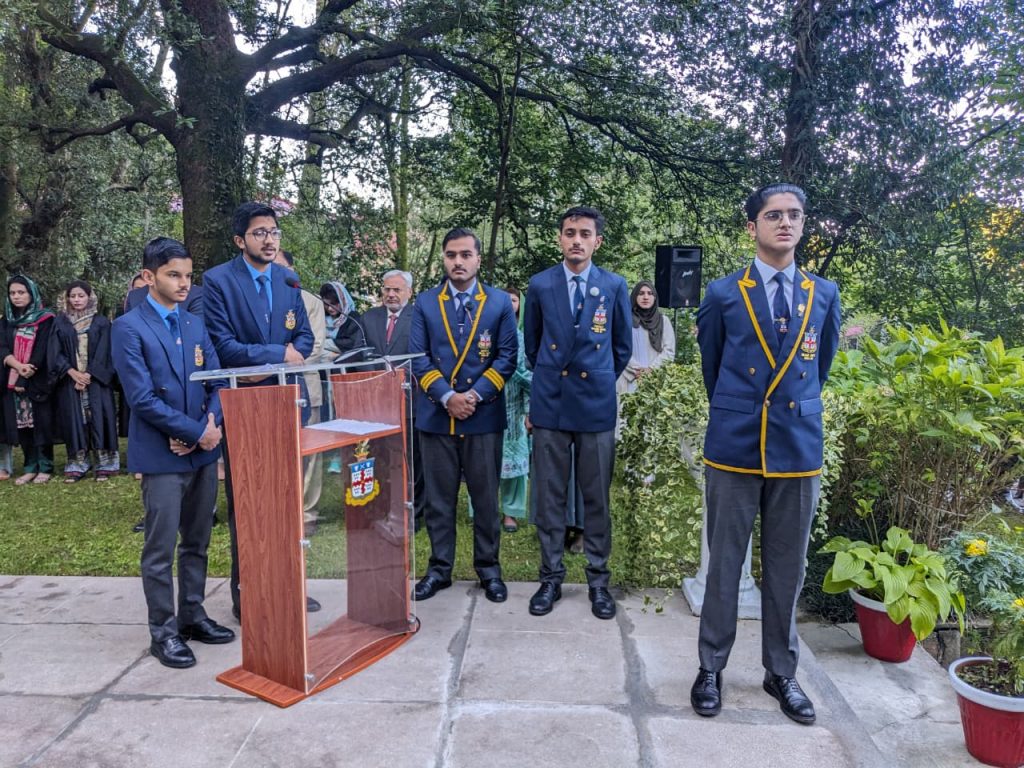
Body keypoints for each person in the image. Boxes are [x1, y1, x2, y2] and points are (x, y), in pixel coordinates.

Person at [690, 183, 841, 726]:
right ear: (753, 226)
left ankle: (781, 671)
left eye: (794, 215)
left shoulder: (824, 293)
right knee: (724, 565)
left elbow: (820, 367)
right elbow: (712, 369)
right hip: (736, 446)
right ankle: (711, 667)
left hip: (796, 448)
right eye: (774, 215)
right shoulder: (723, 293)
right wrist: (743, 410)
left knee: (787, 568)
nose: (785, 223)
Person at [112, 236, 234, 669]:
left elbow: (218, 380)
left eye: (188, 275)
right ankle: (163, 633)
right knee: (160, 549)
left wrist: (209, 429)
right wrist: (194, 432)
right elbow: (141, 398)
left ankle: (193, 616)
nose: (184, 284)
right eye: (173, 275)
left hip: (202, 451)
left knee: (197, 541)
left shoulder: (194, 323)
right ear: (149, 276)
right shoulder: (128, 327)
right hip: (162, 455)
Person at [202, 201, 315, 621]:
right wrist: (277, 355)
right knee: (250, 505)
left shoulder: (287, 278)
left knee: (287, 503)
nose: (270, 240)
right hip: (246, 406)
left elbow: (304, 338)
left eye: (274, 232)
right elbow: (223, 346)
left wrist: (282, 356)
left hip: (288, 402)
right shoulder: (218, 281)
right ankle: (248, 595)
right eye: (260, 233)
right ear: (240, 240)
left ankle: (289, 588)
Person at [523, 206, 632, 620]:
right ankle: (550, 578)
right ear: (560, 238)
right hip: (551, 403)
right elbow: (532, 346)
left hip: (595, 405)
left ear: (597, 241)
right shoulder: (540, 284)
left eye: (585, 234)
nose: (576, 240)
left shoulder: (614, 285)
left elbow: (621, 347)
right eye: (570, 232)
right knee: (550, 497)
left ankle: (598, 581)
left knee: (596, 497)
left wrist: (599, 379)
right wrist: (553, 378)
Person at [409, 227, 518, 603]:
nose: (458, 262)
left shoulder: (499, 302)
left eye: (465, 255)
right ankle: (439, 569)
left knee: (485, 499)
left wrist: (471, 395)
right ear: (444, 258)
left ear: (478, 259)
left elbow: (507, 357)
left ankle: (489, 570)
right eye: (451, 255)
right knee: (438, 500)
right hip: (437, 416)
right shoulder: (425, 302)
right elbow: (418, 357)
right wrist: (446, 397)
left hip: (482, 415)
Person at [361, 269, 425, 528]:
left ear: (409, 292)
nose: (391, 294)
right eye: (387, 289)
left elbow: (424, 356)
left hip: (410, 399)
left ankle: (413, 513)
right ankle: (380, 508)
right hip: (376, 402)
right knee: (381, 458)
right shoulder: (369, 318)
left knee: (411, 460)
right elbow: (359, 354)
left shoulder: (419, 317)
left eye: (397, 290)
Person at [469, 286, 532, 532]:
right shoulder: (482, 332)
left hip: (513, 407)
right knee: (480, 460)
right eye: (504, 299)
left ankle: (511, 512)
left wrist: (529, 410)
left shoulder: (523, 337)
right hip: (484, 403)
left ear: (520, 306)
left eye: (514, 300)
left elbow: (528, 374)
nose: (509, 303)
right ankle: (482, 510)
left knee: (514, 461)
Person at [274, 249, 326, 536]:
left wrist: (280, 357)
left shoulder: (310, 301)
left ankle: (307, 514)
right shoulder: (260, 301)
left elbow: (315, 347)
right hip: (271, 390)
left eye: (281, 266)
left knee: (310, 454)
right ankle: (281, 508)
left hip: (307, 386)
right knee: (279, 451)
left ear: (292, 271)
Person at [50, 280, 120, 482]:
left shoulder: (101, 322)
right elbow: (54, 352)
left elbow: (106, 351)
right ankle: (78, 463)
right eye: (72, 296)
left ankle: (104, 463)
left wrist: (88, 374)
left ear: (90, 297)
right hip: (70, 380)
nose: (77, 300)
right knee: (75, 420)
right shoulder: (60, 322)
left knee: (100, 418)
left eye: (81, 295)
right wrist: (72, 372)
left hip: (96, 381)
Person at [1, 275, 58, 485]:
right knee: (22, 425)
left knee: (41, 423)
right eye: (12, 293)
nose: (16, 297)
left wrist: (26, 374)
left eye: (21, 292)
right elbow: (2, 347)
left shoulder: (45, 318)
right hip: (13, 377)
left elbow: (43, 349)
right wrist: (17, 366)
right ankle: (30, 467)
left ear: (31, 294)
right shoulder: (7, 321)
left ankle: (45, 466)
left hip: (37, 379)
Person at [616, 280, 676, 396]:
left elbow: (669, 351)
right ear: (635, 296)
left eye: (650, 293)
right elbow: (618, 347)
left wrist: (651, 370)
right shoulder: (624, 320)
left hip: (655, 378)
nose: (646, 297)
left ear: (655, 298)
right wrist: (636, 370)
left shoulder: (663, 321)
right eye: (641, 293)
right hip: (627, 377)